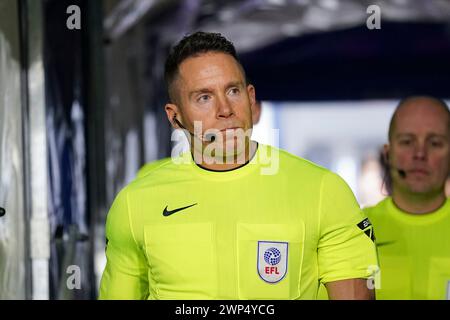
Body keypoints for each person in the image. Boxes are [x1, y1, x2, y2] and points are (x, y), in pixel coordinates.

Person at [99, 31, 377, 300]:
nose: (224, 110)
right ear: (175, 117)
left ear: (251, 97)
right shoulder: (135, 204)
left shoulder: (324, 192)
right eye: (204, 97)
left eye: (232, 91)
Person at [364, 96, 450, 299]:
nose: (419, 153)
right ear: (388, 153)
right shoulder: (354, 231)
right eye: (407, 141)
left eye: (435, 143)